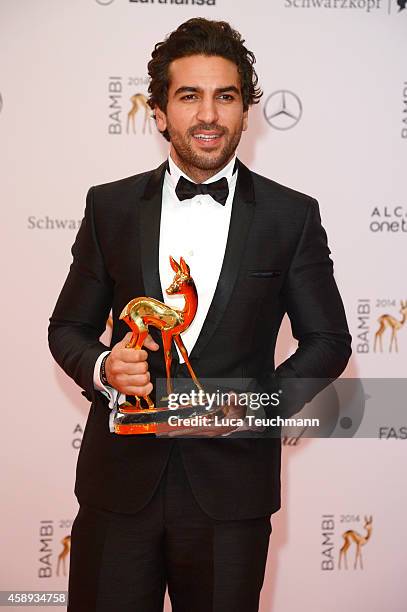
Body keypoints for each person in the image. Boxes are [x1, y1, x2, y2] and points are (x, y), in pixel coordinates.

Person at [48, 18, 352, 612]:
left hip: (231, 496)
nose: (208, 114)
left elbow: (328, 340)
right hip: (119, 488)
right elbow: (68, 329)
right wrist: (106, 368)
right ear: (159, 112)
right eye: (189, 96)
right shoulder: (109, 206)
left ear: (244, 111)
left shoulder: (291, 217)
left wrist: (256, 404)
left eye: (225, 96)